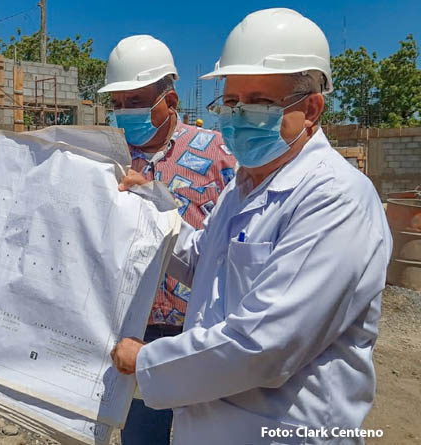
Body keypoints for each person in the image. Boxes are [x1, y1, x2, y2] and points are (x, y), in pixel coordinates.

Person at [112, 8, 392, 444]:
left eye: (258, 102)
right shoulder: (244, 186)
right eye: (231, 101)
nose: (238, 115)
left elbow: (265, 344)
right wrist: (149, 207)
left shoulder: (336, 198)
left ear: (312, 109)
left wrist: (145, 360)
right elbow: (199, 258)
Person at [97, 35, 236, 445]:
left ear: (170, 101)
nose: (124, 114)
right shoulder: (109, 156)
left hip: (201, 329)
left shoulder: (217, 153)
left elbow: (232, 237)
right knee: (142, 434)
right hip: (135, 330)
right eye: (118, 105)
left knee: (209, 431)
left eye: (135, 102)